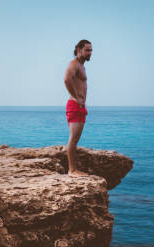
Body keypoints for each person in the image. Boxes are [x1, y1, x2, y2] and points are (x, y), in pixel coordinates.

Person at [63, 39, 92, 177]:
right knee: (73, 139)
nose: (90, 53)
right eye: (87, 50)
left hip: (79, 106)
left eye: (91, 50)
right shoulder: (74, 64)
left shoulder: (82, 66)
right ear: (79, 50)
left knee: (76, 139)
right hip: (75, 105)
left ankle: (74, 168)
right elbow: (66, 79)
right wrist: (75, 97)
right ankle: (72, 170)